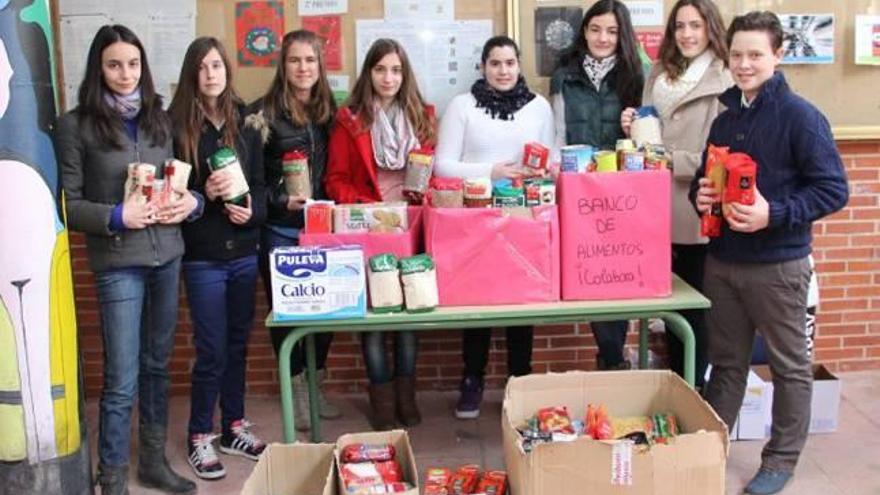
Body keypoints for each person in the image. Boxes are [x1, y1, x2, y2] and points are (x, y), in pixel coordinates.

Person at [690, 11, 848, 495]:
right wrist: (698, 194)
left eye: (755, 54)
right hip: (723, 262)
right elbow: (705, 179)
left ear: (777, 56)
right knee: (728, 363)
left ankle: (780, 461)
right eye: (736, 55)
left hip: (779, 266)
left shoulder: (801, 117)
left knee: (789, 366)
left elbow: (833, 190)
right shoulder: (726, 119)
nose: (743, 64)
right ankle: (708, 451)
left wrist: (773, 214)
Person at [55, 24, 197, 495]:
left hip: (167, 257)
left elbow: (184, 181)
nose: (125, 73)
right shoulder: (76, 125)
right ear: (99, 67)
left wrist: (190, 203)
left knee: (158, 365)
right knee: (121, 376)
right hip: (119, 263)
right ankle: (111, 476)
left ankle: (153, 462)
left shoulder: (160, 119)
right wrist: (118, 214)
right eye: (114, 64)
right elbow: (69, 205)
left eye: (133, 64)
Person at [434, 35, 553, 419]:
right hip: (475, 215)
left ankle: (521, 380)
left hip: (523, 216)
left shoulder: (539, 108)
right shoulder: (462, 106)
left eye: (510, 63)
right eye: (495, 63)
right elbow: (443, 166)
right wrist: (493, 170)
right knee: (477, 301)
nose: (503, 70)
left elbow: (549, 163)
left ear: (519, 65)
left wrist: (540, 170)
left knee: (522, 300)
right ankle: (472, 380)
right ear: (483, 67)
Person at [168, 36, 267, 480]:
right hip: (203, 255)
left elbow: (262, 188)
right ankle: (199, 435)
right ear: (193, 74)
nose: (211, 74)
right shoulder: (175, 127)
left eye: (217, 66)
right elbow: (169, 195)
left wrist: (252, 212)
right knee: (211, 350)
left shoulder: (247, 123)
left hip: (244, 251)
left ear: (228, 71)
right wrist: (200, 197)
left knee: (237, 345)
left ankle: (233, 427)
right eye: (203, 67)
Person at [324, 38, 436, 430]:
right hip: (369, 228)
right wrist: (367, 206)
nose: (388, 78)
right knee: (375, 318)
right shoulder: (350, 119)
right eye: (380, 69)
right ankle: (383, 402)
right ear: (368, 73)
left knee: (408, 316)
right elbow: (333, 181)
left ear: (405, 75)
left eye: (396, 70)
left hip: (411, 226)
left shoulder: (422, 117)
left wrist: (423, 193)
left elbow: (431, 173)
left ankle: (407, 398)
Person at [620, 0, 732, 387]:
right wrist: (633, 123)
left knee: (695, 307)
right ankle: (674, 382)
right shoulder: (659, 72)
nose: (686, 34)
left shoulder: (725, 77)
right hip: (652, 204)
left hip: (692, 205)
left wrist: (669, 158)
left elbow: (720, 156)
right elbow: (650, 125)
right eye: (680, 25)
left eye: (696, 25)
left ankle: (694, 386)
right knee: (664, 305)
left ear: (710, 28)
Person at [248, 29, 342, 433]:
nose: (303, 68)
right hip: (280, 230)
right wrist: (278, 200)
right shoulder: (260, 116)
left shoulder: (331, 112)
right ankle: (297, 393)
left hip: (323, 229)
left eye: (310, 61)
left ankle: (316, 384)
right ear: (283, 66)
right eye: (295, 60)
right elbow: (248, 182)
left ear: (320, 67)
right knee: (288, 315)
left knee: (328, 313)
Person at [550, 0, 646, 370]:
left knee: (616, 273)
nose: (602, 38)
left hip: (623, 191)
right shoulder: (564, 75)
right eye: (595, 30)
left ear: (623, 35)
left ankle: (612, 359)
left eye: (611, 31)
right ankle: (612, 358)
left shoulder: (636, 75)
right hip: (578, 188)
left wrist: (634, 125)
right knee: (590, 272)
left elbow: (648, 134)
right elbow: (557, 132)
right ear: (584, 32)